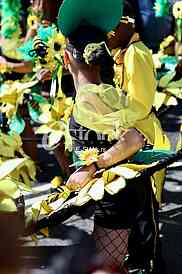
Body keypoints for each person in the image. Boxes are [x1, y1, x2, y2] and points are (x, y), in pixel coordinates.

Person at [57, 0, 170, 272]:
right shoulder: (106, 93)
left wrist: (94, 166)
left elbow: (133, 140)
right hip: (124, 197)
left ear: (66, 58)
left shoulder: (90, 99)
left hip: (116, 205)